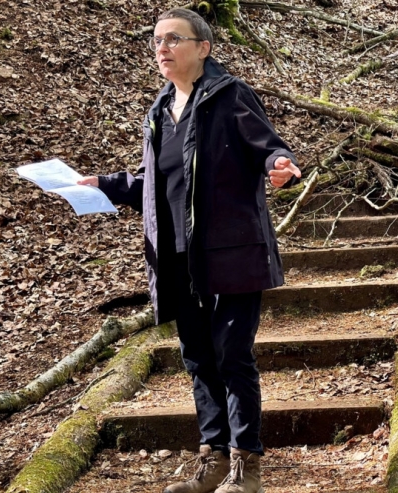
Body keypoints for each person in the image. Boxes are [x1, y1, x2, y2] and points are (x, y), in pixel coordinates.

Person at [77, 8, 300, 493]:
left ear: (203, 48)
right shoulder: (159, 111)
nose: (162, 47)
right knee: (198, 356)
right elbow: (154, 184)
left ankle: (246, 465)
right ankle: (213, 457)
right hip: (177, 257)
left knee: (231, 354)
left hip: (232, 251)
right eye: (157, 39)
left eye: (174, 38)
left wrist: (279, 164)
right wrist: (106, 185)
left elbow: (268, 148)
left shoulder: (229, 96)